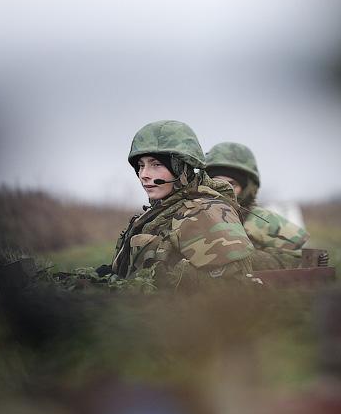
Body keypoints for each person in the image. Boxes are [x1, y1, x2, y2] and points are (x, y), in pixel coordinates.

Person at [109, 121, 255, 290]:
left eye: (156, 164)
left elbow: (234, 289)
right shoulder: (164, 211)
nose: (144, 175)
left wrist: (176, 282)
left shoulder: (202, 213)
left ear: (181, 168)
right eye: (141, 166)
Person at [205, 142, 310, 269]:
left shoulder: (262, 221)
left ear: (247, 189)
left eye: (231, 184)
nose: (223, 189)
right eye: (216, 182)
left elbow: (294, 260)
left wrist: (246, 258)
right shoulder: (190, 215)